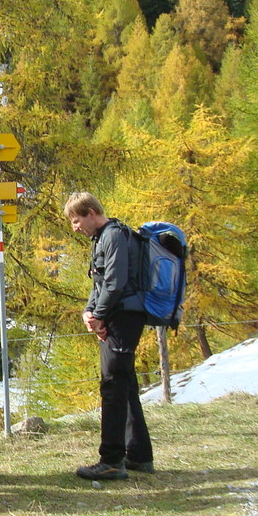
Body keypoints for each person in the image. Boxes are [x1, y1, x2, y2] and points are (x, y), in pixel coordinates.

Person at [64, 192, 154, 481]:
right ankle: (139, 455)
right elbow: (99, 282)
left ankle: (112, 460)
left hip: (124, 317)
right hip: (115, 315)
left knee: (112, 385)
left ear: (91, 213)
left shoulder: (113, 236)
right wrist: (90, 312)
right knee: (125, 384)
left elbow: (115, 283)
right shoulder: (100, 239)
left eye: (77, 221)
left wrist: (100, 315)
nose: (75, 227)